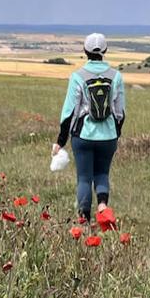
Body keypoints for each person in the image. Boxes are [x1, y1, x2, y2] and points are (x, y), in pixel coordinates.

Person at [51, 33, 126, 224]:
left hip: (83, 136)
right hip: (108, 136)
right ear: (105, 51)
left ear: (85, 51)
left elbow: (69, 112)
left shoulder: (77, 76)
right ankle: (103, 211)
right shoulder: (116, 76)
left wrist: (60, 141)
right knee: (102, 174)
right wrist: (115, 134)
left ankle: (84, 221)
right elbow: (120, 112)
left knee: (84, 178)